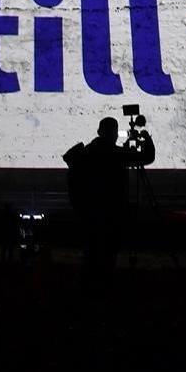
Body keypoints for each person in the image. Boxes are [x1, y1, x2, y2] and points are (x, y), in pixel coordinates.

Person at [67, 117, 155, 277]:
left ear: (99, 132)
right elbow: (148, 157)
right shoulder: (116, 154)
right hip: (111, 217)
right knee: (107, 259)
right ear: (114, 134)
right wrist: (146, 137)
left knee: (91, 259)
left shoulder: (86, 153)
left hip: (90, 216)